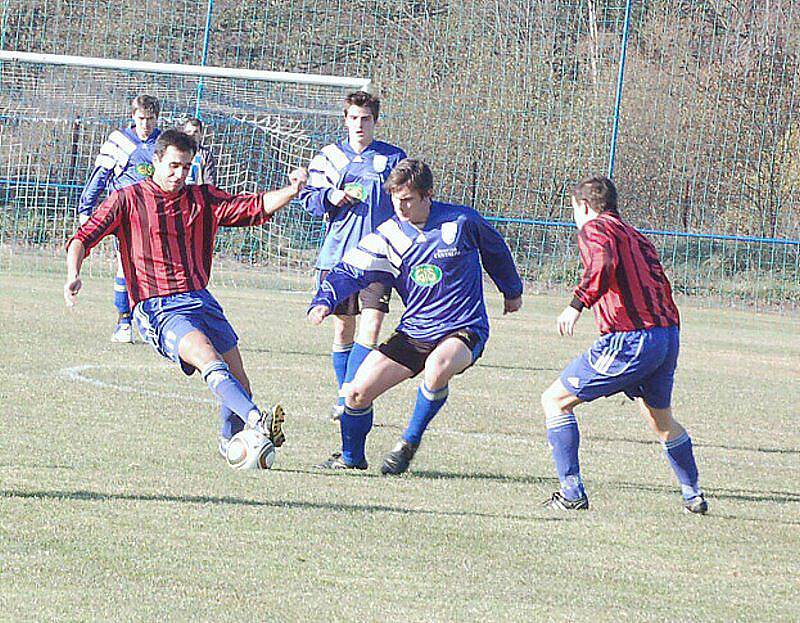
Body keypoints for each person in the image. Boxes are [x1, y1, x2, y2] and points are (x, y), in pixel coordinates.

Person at [65, 129, 308, 460]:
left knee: (240, 385)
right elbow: (83, 237)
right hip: (158, 307)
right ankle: (258, 420)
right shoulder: (128, 198)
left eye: (186, 167)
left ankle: (231, 443)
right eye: (174, 166)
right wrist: (73, 274)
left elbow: (252, 207)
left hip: (201, 300)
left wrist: (292, 191)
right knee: (208, 357)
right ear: (156, 161)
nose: (180, 174)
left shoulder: (202, 199)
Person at [308, 159, 523, 473]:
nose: (401, 207)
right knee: (355, 393)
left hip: (463, 329)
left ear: (427, 195)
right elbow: (350, 270)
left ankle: (408, 442)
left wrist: (511, 290)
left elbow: (496, 251)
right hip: (415, 333)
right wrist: (324, 300)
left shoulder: (462, 221)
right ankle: (351, 459)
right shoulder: (390, 235)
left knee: (437, 368)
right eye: (396, 200)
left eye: (408, 199)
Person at [540, 175, 707, 514]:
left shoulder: (595, 228)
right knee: (661, 421)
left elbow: (603, 264)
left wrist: (576, 305)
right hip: (666, 336)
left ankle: (571, 493)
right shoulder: (638, 236)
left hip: (632, 338)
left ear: (584, 207)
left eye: (575, 210)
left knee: (555, 401)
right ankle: (694, 494)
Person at [298, 91, 407, 421]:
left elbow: (407, 198)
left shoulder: (392, 158)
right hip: (339, 259)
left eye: (366, 119)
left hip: (379, 258)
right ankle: (344, 391)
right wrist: (332, 196)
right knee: (344, 330)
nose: (360, 124)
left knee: (371, 326)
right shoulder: (329, 157)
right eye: (354, 118)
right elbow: (310, 200)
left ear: (376, 121)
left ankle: (349, 395)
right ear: (345, 120)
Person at [78, 94, 162, 344]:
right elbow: (100, 175)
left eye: (150, 119)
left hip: (157, 216)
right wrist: (86, 209)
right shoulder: (120, 141)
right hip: (126, 215)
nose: (145, 124)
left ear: (157, 118)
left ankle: (151, 321)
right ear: (133, 117)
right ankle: (123, 321)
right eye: (141, 118)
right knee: (126, 267)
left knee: (157, 270)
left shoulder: (163, 143)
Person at [182, 117, 217, 186]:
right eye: (188, 132)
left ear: (201, 134)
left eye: (195, 132)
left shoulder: (206, 155)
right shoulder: (178, 153)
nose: (192, 134)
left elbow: (209, 182)